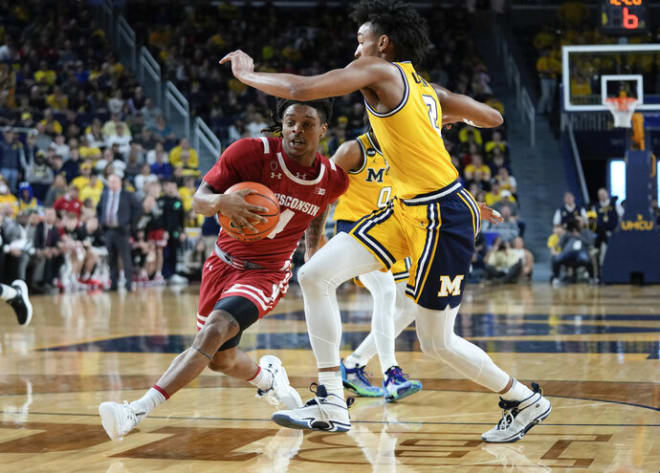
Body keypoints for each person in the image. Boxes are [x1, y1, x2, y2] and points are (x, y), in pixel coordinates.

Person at [221, 0, 550, 442]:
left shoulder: (380, 72)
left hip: (440, 216)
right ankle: (333, 401)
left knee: (437, 342)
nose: (355, 52)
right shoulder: (427, 91)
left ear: (382, 43)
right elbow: (492, 117)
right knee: (315, 274)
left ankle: (524, 399)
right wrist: (439, 117)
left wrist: (246, 74)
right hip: (405, 210)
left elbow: (302, 89)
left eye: (360, 42)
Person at [98, 98, 349, 441]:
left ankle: (135, 411)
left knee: (214, 331)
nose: (296, 130)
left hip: (267, 272)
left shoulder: (333, 178)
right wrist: (220, 202)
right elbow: (200, 200)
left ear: (323, 129)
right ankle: (268, 379)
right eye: (290, 122)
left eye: (307, 124)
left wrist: (312, 246)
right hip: (221, 263)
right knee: (219, 359)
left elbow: (320, 205)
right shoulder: (249, 153)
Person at [330, 129, 422, 401]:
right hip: (357, 231)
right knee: (385, 293)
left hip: (390, 232)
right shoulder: (354, 150)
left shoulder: (406, 149)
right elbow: (322, 188)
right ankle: (391, 375)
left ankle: (354, 364)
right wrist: (316, 238)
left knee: (410, 307)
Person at [97, 174, 142, 291]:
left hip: (122, 231)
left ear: (120, 183)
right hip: (108, 230)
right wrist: (101, 221)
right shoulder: (105, 194)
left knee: (126, 258)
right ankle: (113, 284)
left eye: (114, 182)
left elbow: (139, 209)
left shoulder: (127, 195)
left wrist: (131, 224)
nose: (112, 184)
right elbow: (99, 208)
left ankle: (128, 284)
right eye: (110, 182)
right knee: (111, 258)